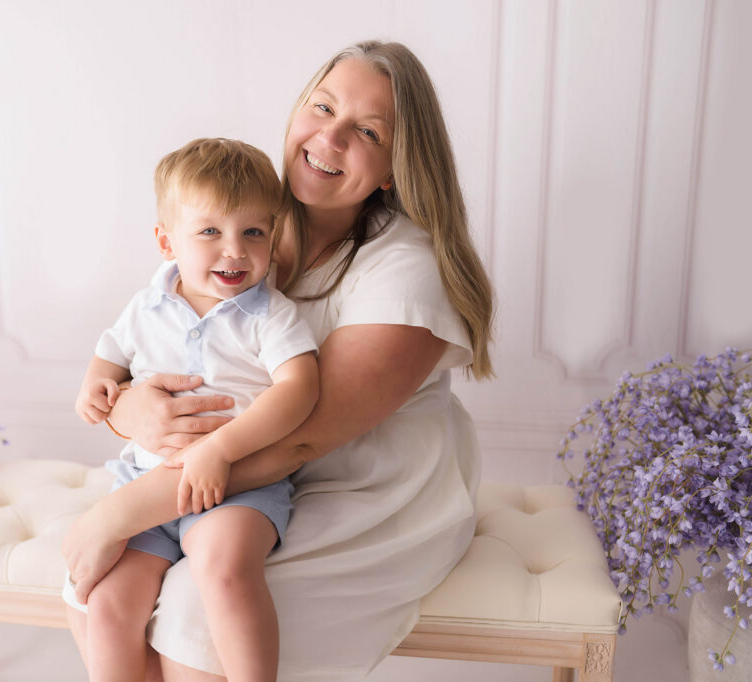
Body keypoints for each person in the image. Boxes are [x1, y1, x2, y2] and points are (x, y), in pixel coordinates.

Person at [62, 40, 494, 681]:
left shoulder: (406, 270)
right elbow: (156, 342)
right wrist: (129, 411)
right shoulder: (247, 224)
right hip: (225, 472)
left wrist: (117, 513)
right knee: (99, 594)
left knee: (190, 616)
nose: (330, 136)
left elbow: (302, 437)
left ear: (394, 169)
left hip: (363, 486)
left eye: (367, 131)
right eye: (322, 107)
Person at [64, 137, 320, 682]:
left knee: (224, 571)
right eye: (210, 231)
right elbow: (109, 357)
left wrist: (220, 449)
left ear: (273, 239)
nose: (234, 249)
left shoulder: (270, 315)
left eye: (253, 231)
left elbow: (299, 389)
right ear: (166, 241)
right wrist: (96, 388)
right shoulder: (147, 306)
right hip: (144, 483)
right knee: (108, 603)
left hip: (238, 487)